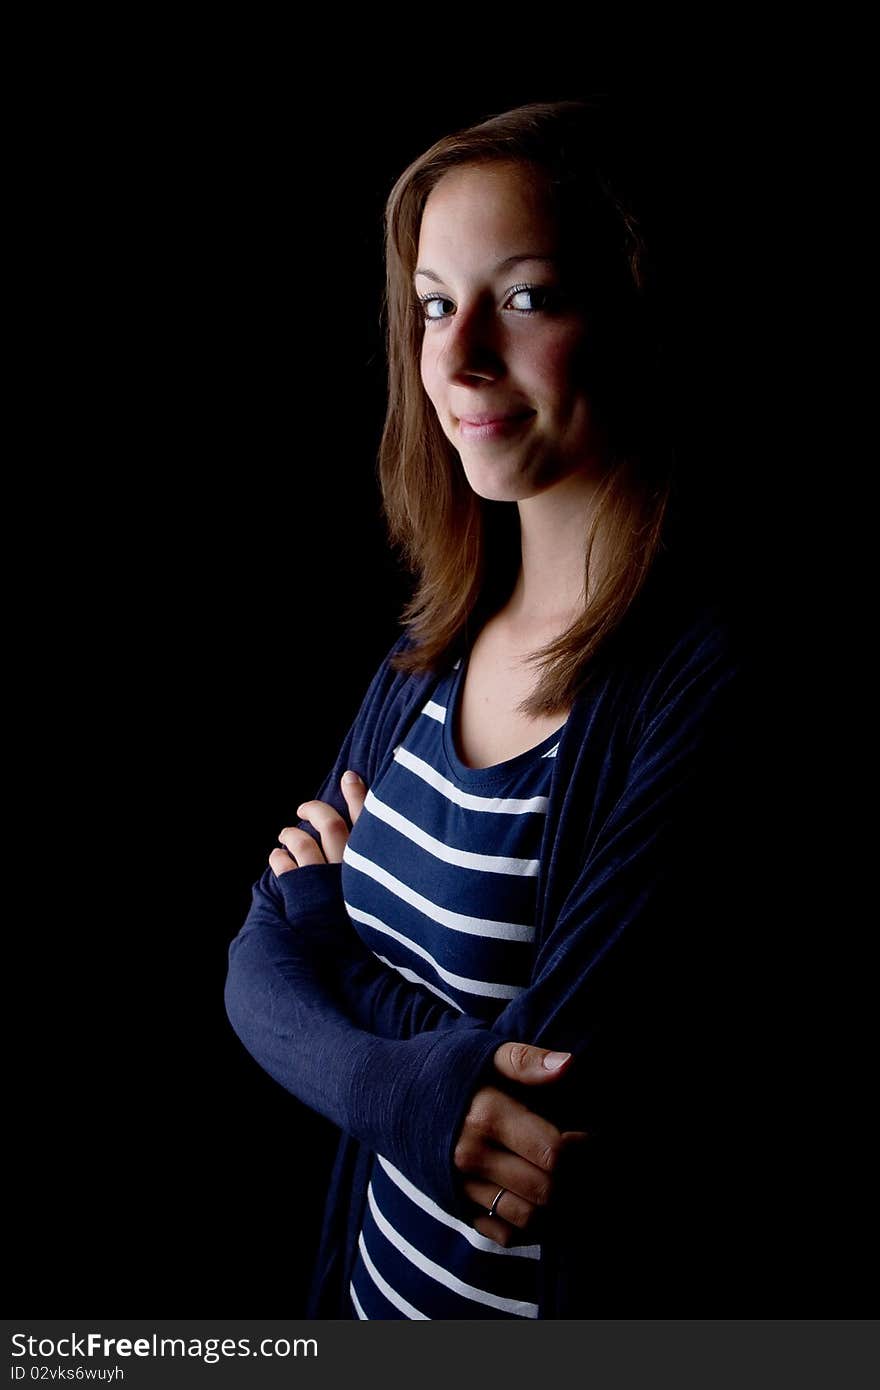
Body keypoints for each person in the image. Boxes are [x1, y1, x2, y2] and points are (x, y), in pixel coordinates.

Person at [224, 98, 754, 1318]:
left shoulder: (704, 690)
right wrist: (395, 1058)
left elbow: (547, 1089)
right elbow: (251, 962)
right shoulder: (433, 644)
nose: (457, 355)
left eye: (522, 298)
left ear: (634, 309)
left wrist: (326, 938)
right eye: (431, 303)